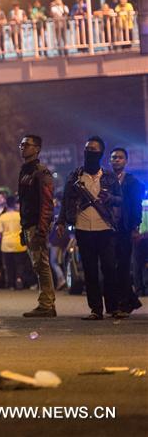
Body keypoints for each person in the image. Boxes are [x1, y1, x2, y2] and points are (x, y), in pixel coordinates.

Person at [56, 136, 122, 320]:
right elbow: (66, 200)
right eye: (87, 149)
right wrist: (61, 221)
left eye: (93, 150)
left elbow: (120, 199)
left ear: (101, 153)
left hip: (105, 228)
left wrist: (110, 199)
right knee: (90, 270)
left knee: (109, 268)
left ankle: (113, 307)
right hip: (83, 229)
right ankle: (95, 310)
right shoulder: (75, 176)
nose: (89, 153)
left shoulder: (108, 176)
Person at [17, 135, 57, 317]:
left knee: (41, 264)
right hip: (27, 225)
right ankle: (45, 303)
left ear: (37, 149)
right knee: (37, 264)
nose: (22, 147)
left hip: (36, 225)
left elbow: (47, 203)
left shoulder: (41, 172)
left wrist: (42, 228)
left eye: (27, 145)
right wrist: (22, 227)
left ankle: (47, 304)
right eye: (21, 144)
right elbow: (24, 202)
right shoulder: (24, 171)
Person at [109, 147, 143, 316]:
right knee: (111, 268)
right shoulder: (105, 180)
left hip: (125, 229)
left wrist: (135, 227)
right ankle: (128, 301)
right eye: (114, 157)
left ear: (126, 161)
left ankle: (126, 303)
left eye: (120, 157)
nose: (116, 160)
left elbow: (136, 207)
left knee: (122, 267)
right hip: (108, 230)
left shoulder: (132, 182)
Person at [0, 197, 27, 290]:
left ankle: (11, 284)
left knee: (9, 266)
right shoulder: (20, 215)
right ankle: (19, 278)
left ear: (6, 205)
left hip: (6, 245)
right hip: (19, 244)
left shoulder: (2, 217)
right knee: (20, 264)